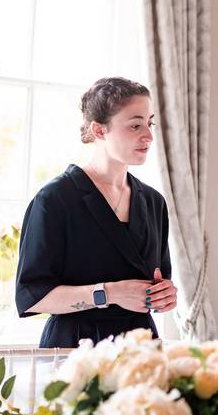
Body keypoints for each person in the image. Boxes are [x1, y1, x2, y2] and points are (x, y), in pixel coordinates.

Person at [15, 77, 177, 348]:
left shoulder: (153, 202)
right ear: (99, 130)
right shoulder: (55, 199)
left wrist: (164, 295)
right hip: (74, 348)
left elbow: (159, 280)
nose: (148, 136)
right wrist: (109, 293)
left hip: (140, 347)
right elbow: (32, 296)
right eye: (135, 125)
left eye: (149, 124)